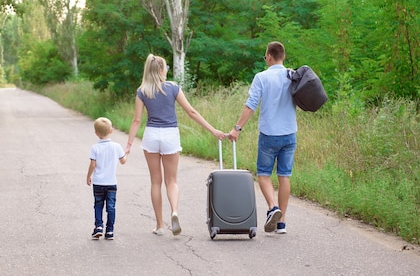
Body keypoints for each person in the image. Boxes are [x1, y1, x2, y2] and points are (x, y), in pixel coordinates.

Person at [125, 54, 227, 236]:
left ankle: (159, 225)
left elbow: (136, 120)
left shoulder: (142, 91)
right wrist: (213, 130)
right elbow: (191, 111)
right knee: (171, 181)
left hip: (152, 135)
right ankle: (174, 212)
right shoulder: (173, 87)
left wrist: (129, 144)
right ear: (162, 70)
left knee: (156, 181)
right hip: (170, 135)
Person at [228, 41, 297, 235]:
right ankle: (282, 223)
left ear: (268, 56)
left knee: (264, 174)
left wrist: (237, 128)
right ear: (282, 56)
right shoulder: (292, 75)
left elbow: (251, 105)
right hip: (290, 133)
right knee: (284, 176)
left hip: (269, 135)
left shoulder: (262, 77)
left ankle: (273, 207)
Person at [87, 117, 128, 240]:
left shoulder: (95, 148)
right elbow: (123, 161)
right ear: (111, 130)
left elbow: (93, 165)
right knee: (111, 207)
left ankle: (98, 227)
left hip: (98, 183)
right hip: (111, 183)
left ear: (96, 133)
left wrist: (88, 176)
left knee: (98, 205)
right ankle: (110, 231)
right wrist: (126, 154)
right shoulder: (116, 146)